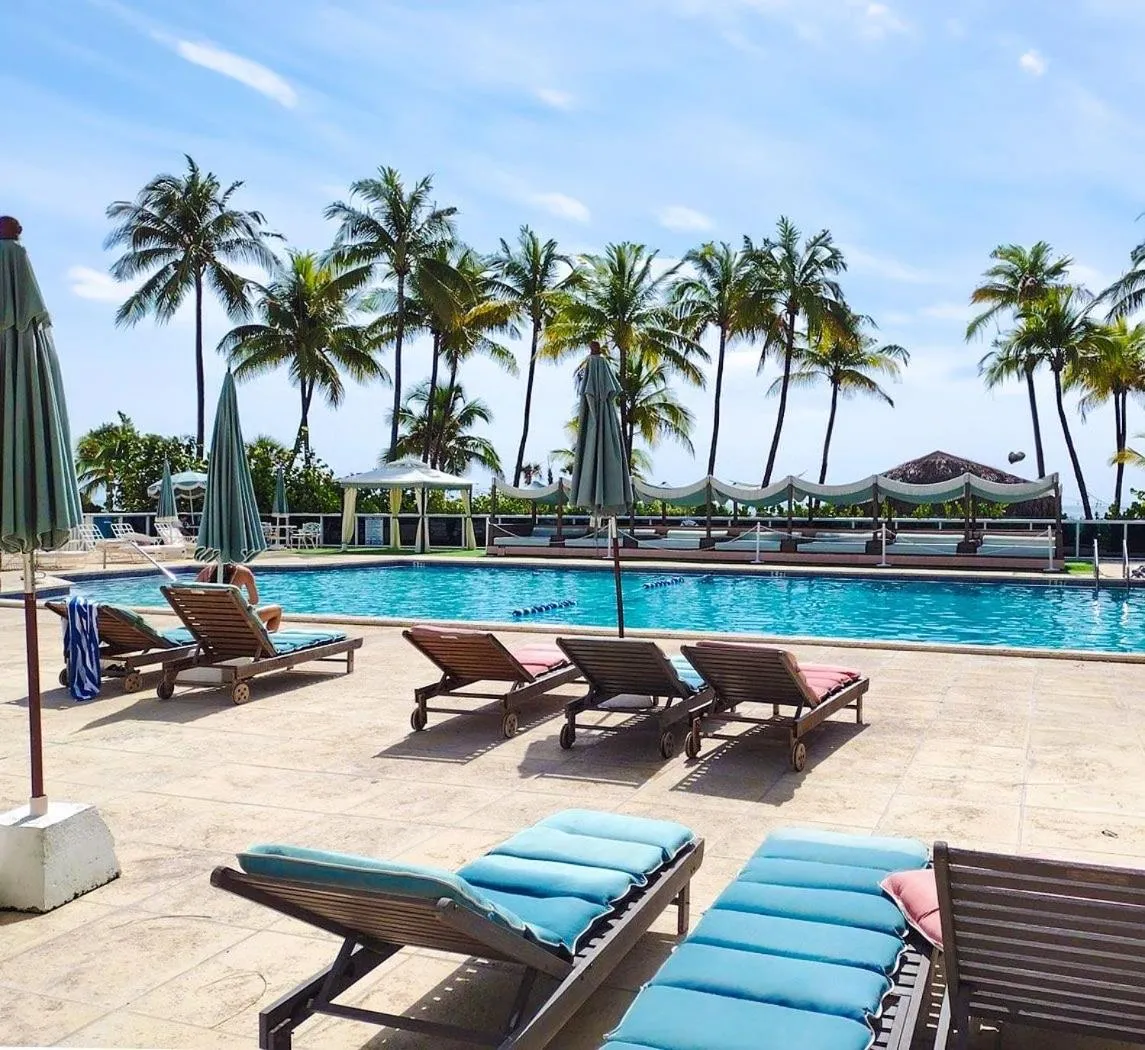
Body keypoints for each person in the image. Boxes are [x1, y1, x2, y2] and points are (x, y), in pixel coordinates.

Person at [196, 562, 283, 632]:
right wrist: (238, 601)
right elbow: (254, 600)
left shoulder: (207, 571)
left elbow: (193, 592)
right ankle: (267, 644)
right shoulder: (243, 572)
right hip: (238, 623)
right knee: (277, 609)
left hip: (211, 624)